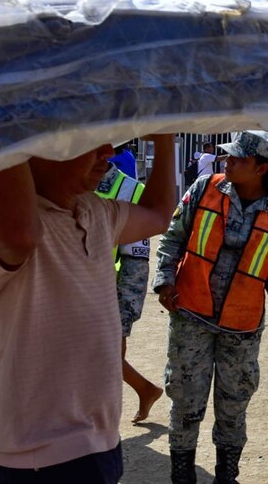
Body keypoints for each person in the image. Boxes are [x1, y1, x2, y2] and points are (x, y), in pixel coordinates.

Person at [0, 135, 176, 483]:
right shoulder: (3, 226)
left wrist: (166, 137)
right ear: (34, 148)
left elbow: (158, 215)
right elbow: (19, 234)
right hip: (37, 457)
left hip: (101, 442)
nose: (108, 152)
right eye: (88, 140)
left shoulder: (96, 211)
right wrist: (6, 130)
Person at [153, 130, 268, 484]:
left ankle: (226, 475)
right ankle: (182, 476)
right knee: (186, 401)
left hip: (242, 326)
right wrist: (165, 280)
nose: (226, 161)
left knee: (234, 406)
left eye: (238, 158)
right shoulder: (204, 189)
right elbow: (173, 238)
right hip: (191, 315)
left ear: (262, 169)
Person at [95, 161, 163, 424]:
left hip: (108, 292)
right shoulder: (65, 183)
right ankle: (146, 389)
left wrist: (124, 315)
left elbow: (135, 261)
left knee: (105, 359)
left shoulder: (129, 190)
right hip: (73, 289)